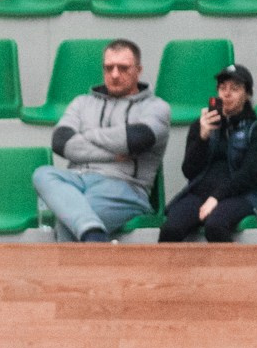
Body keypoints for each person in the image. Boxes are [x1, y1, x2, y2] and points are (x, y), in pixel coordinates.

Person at [34, 39, 171, 242]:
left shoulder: (156, 107)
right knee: (43, 174)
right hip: (77, 179)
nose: (114, 74)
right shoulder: (81, 103)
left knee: (69, 222)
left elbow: (135, 140)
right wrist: (114, 154)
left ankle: (91, 236)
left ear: (138, 70)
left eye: (123, 68)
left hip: (124, 187)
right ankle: (94, 235)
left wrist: (87, 135)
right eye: (109, 68)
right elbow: (61, 142)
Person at [160, 63, 257, 243]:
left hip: (241, 195)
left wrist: (216, 197)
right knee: (171, 228)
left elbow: (249, 175)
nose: (227, 94)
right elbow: (189, 171)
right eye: (222, 88)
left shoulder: (256, 130)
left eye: (235, 89)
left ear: (247, 94)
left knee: (215, 225)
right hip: (199, 193)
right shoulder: (201, 124)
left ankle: (231, 264)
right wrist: (202, 137)